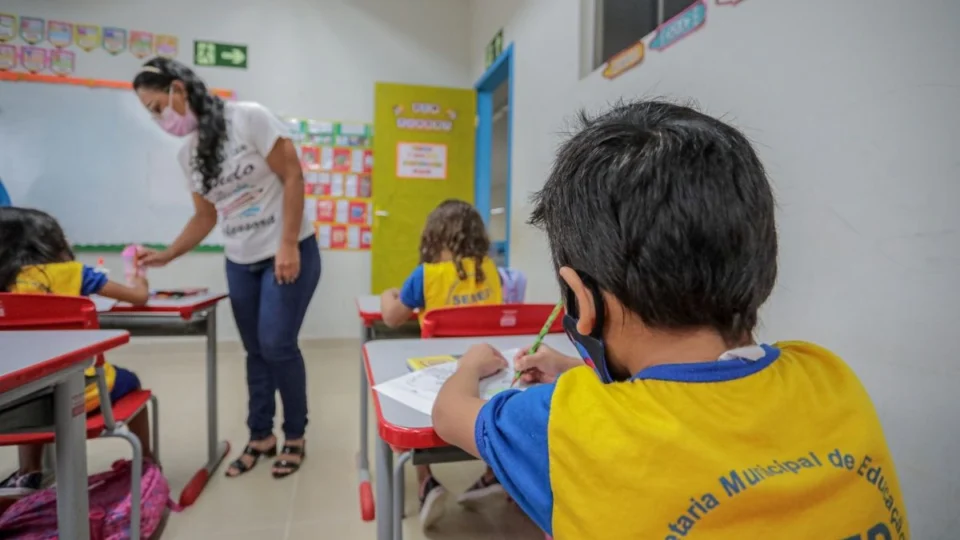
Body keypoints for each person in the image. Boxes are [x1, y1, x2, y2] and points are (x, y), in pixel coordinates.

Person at [431, 101, 910, 539]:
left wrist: (470, 366)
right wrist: (575, 370)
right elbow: (700, 403)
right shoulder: (830, 378)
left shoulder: (565, 423)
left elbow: (449, 415)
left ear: (583, 301)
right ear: (764, 262)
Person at [131, 57, 320, 479]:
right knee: (255, 350)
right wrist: (166, 255)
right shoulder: (188, 155)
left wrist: (288, 243)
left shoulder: (248, 118)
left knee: (277, 345)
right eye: (151, 114)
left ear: (179, 90)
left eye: (158, 106)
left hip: (288, 249)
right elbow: (205, 218)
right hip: (240, 260)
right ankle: (260, 435)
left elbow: (292, 175)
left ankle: (295, 435)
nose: (159, 118)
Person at [0, 207, 154, 496]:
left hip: (15, 404)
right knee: (131, 381)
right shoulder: (73, 274)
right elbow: (139, 297)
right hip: (83, 395)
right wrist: (139, 277)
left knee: (34, 378)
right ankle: (147, 462)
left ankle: (29, 472)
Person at [379, 199, 505, 529]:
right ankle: (494, 473)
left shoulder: (426, 276)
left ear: (433, 237)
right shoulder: (492, 272)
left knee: (402, 385)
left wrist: (387, 295)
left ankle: (425, 482)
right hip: (488, 373)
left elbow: (392, 318)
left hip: (437, 379)